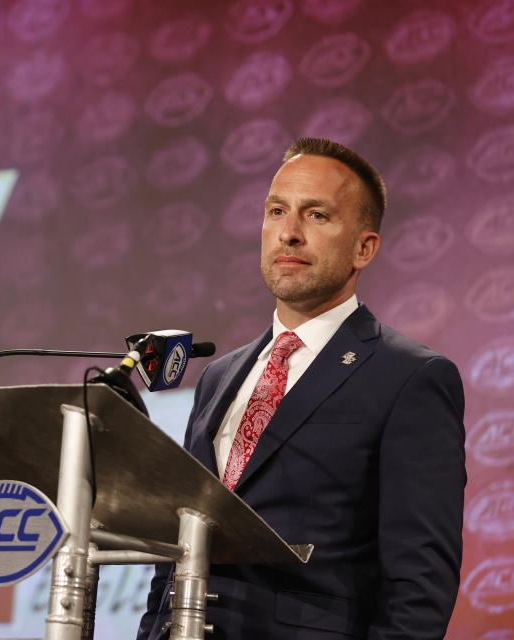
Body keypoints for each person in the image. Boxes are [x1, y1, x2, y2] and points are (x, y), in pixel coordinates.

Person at [137, 138, 466, 640]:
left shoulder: (410, 378)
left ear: (364, 248)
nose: (288, 233)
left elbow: (419, 585)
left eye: (317, 216)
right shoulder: (218, 376)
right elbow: (182, 540)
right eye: (276, 211)